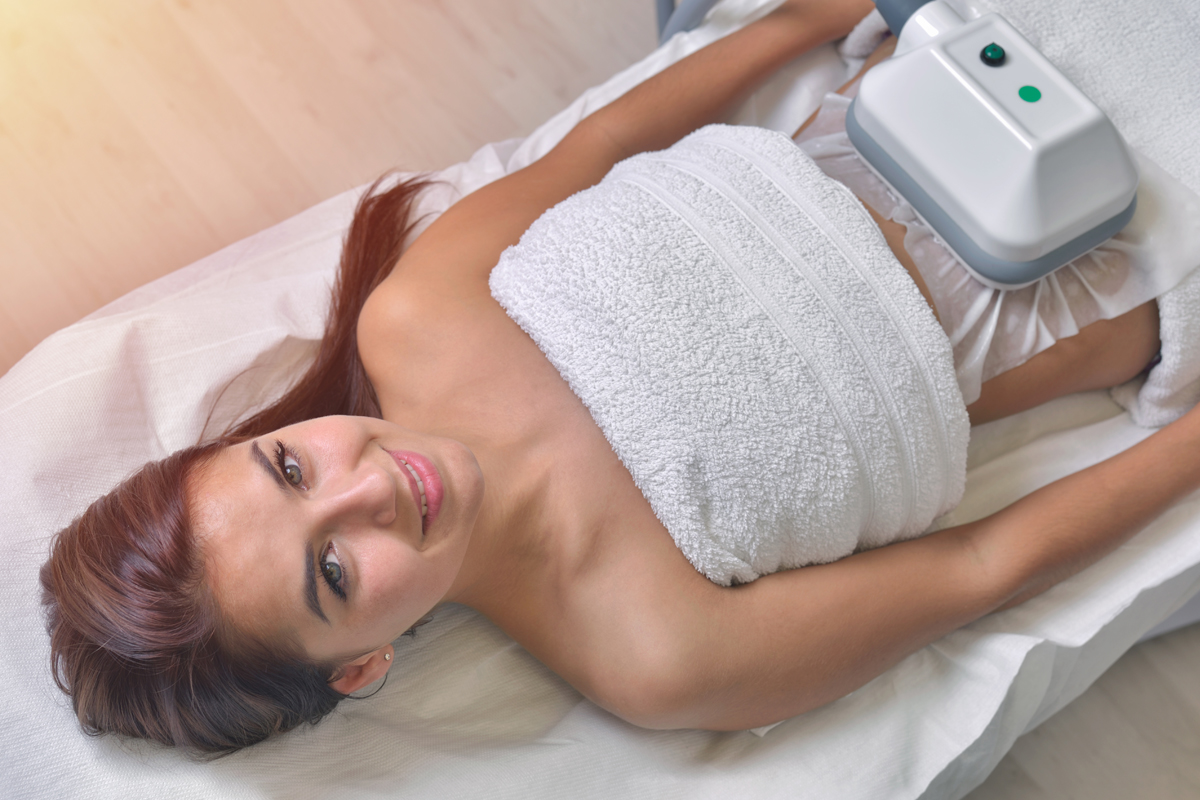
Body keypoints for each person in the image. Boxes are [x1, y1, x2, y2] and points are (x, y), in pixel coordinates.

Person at [39, 0, 1184, 756]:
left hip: (948, 77)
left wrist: (813, 17)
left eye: (289, 466)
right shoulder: (654, 649)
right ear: (360, 667)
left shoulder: (420, 320)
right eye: (331, 571)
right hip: (1113, 264)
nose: (368, 486)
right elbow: (981, 564)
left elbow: (602, 146)